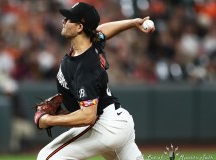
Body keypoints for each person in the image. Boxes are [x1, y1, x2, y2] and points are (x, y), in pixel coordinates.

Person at [35, 2, 155, 160]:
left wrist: (48, 120)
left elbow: (87, 116)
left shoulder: (85, 66)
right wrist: (132, 23)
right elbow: (103, 30)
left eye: (69, 19)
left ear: (79, 28)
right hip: (117, 121)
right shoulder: (91, 42)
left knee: (46, 157)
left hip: (105, 126)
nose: (64, 21)